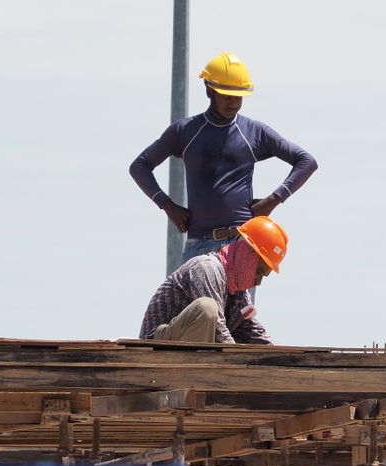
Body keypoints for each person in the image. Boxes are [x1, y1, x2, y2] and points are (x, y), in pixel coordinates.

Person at [130, 52, 318, 264]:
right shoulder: (185, 131)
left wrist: (272, 201)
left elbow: (307, 161)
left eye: (239, 97)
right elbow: (139, 166)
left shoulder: (254, 132)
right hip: (197, 247)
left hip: (241, 244)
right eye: (227, 96)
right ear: (209, 91)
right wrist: (168, 206)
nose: (234, 103)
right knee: (198, 300)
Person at [138, 216, 288, 344]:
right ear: (246, 253)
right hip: (156, 348)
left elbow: (254, 334)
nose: (258, 281)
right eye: (258, 272)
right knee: (207, 308)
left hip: (185, 348)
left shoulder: (239, 295)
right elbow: (218, 330)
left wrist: (284, 360)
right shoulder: (206, 268)